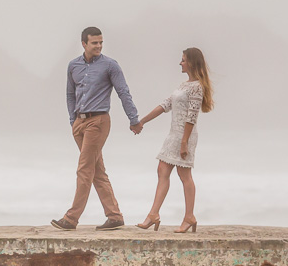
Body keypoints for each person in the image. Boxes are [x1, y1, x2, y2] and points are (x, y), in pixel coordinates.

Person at [51, 27, 142, 232]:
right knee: (97, 171)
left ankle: (71, 218)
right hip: (79, 123)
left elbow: (123, 92)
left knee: (84, 168)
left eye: (101, 42)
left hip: (98, 121)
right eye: (94, 43)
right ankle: (115, 215)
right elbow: (70, 94)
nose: (99, 46)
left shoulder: (110, 65)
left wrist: (133, 119)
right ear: (84, 43)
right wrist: (73, 120)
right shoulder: (73, 65)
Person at [136, 48, 214, 233]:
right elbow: (165, 105)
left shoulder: (197, 87)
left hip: (185, 135)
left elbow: (191, 117)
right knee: (162, 170)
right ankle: (153, 214)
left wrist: (184, 142)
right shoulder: (183, 85)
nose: (180, 63)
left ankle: (189, 217)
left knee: (184, 175)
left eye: (183, 60)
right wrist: (142, 122)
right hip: (174, 135)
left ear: (192, 63)